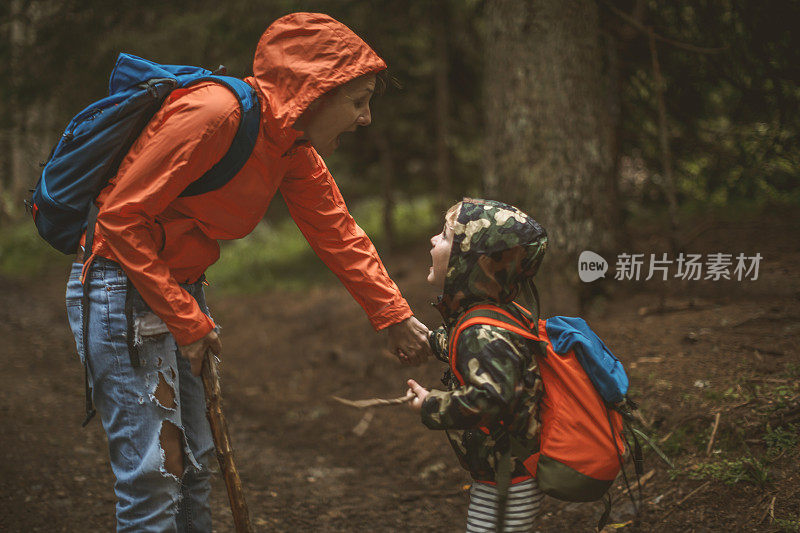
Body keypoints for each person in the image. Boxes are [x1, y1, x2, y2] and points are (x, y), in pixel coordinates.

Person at [64, 12, 431, 531]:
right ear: (314, 91)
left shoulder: (289, 147)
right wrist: (189, 322)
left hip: (178, 290)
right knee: (154, 476)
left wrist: (392, 314)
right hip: (119, 287)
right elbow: (121, 218)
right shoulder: (215, 114)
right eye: (357, 101)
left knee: (193, 466)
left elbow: (337, 233)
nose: (366, 117)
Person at [406, 198, 549, 532]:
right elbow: (465, 345)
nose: (433, 240)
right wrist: (432, 342)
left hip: (508, 479)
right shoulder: (495, 312)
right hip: (504, 472)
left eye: (445, 236)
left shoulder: (482, 330)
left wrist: (431, 404)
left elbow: (489, 399)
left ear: (471, 263)